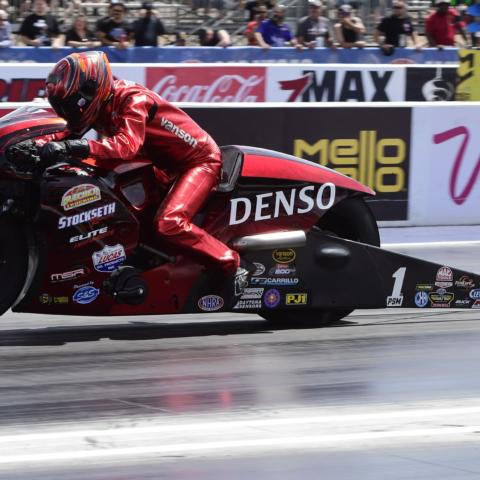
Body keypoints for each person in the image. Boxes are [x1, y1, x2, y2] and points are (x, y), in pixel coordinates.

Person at [37, 52, 249, 294]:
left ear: (91, 88)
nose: (71, 110)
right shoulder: (98, 104)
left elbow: (126, 147)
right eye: (63, 106)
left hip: (198, 162)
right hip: (160, 163)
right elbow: (67, 133)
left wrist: (73, 147)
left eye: (73, 103)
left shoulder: (133, 99)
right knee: (122, 205)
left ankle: (231, 264)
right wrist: (37, 144)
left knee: (169, 224)